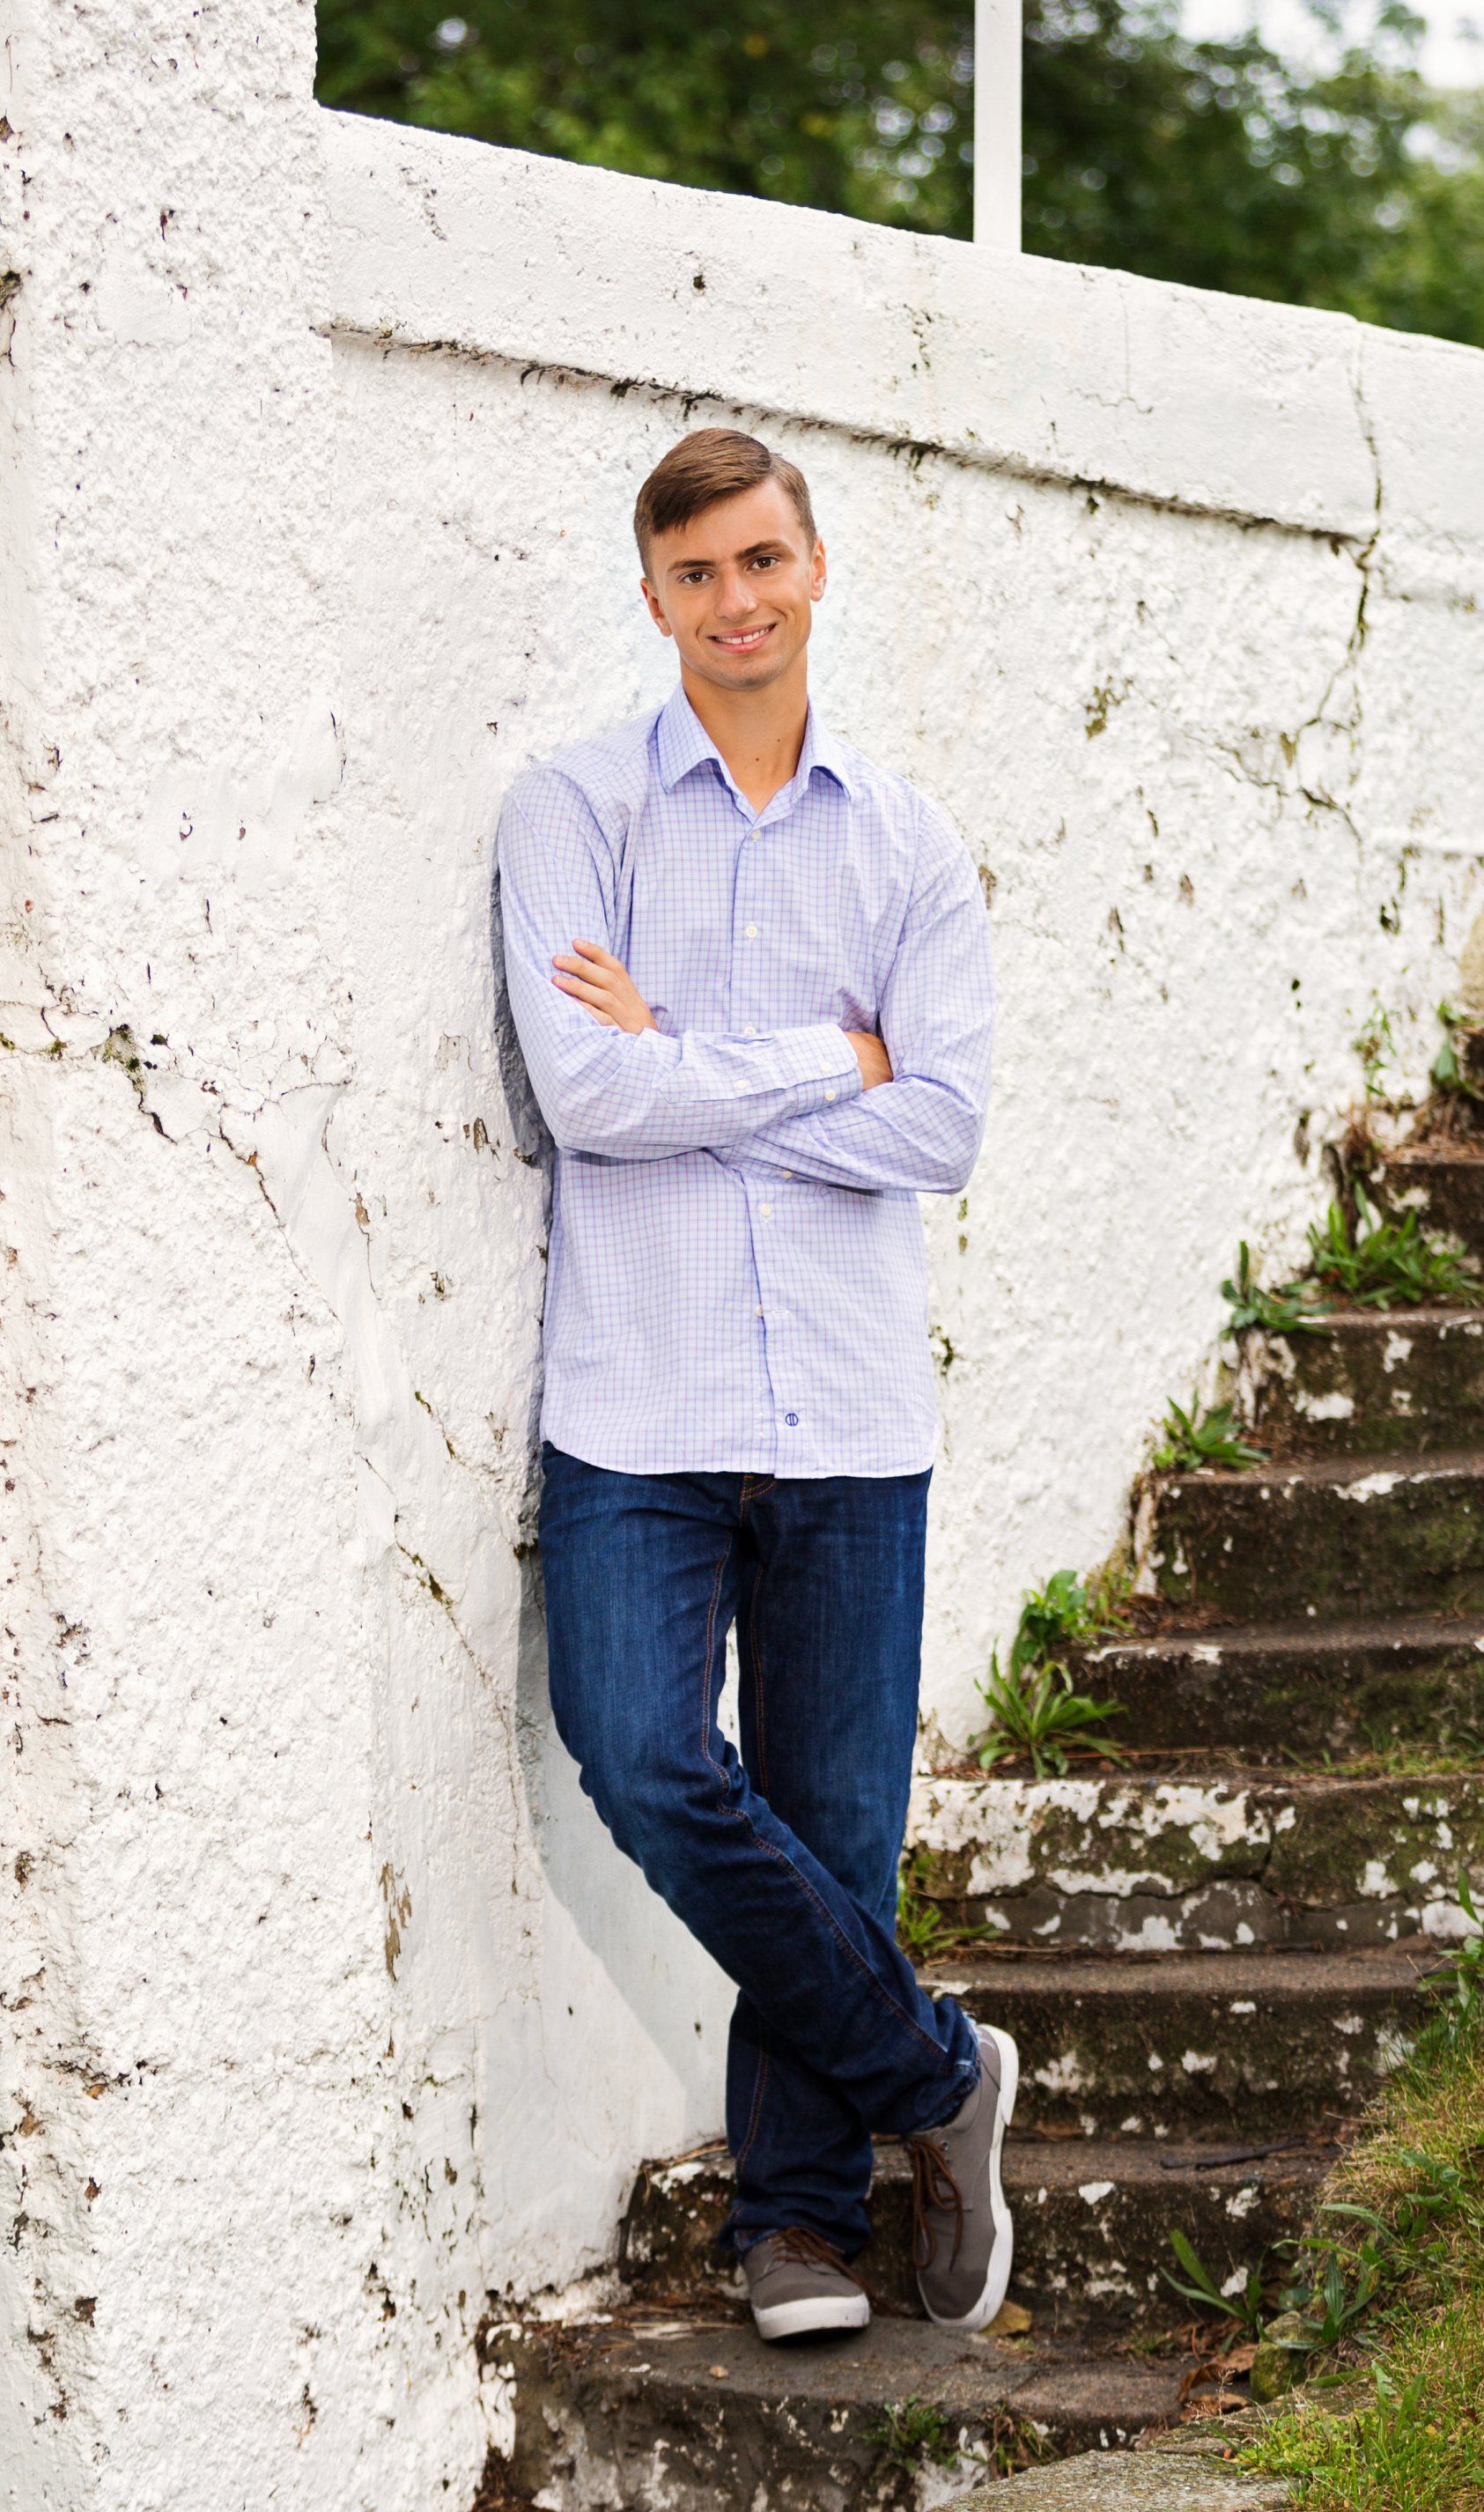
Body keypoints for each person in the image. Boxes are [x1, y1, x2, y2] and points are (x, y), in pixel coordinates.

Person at [497, 426, 1014, 2345]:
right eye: (699, 572)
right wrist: (833, 1061)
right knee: (640, 1755)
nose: (738, 601)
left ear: (817, 568)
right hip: (640, 1400)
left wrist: (710, 1054)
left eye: (764, 561)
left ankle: (798, 2225)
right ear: (653, 597)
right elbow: (593, 1100)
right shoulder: (569, 812)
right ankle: (939, 2079)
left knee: (833, 1825)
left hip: (857, 1409)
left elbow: (945, 1123)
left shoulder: (909, 842)